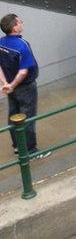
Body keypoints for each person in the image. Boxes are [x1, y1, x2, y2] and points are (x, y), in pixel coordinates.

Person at [0, 14, 44, 158]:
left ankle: (17, 146)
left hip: (11, 88)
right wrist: (12, 85)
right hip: (25, 87)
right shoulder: (22, 45)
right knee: (28, 118)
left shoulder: (1, 43)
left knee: (13, 115)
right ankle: (30, 150)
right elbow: (23, 71)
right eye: (19, 22)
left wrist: (6, 84)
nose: (21, 23)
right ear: (14, 27)